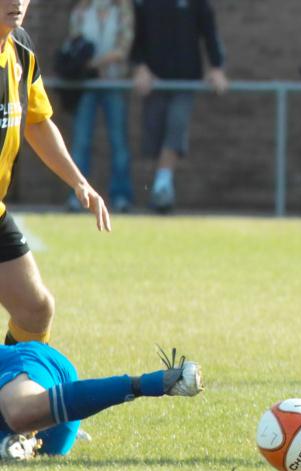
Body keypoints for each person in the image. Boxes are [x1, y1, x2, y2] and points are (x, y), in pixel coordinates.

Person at [0, 0, 111, 347]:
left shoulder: (21, 49)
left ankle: (9, 392)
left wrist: (79, 182)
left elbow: (37, 121)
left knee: (35, 311)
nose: (16, 1)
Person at [0, 343, 202, 459]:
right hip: (48, 434)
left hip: (29, 365)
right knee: (42, 446)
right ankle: (24, 438)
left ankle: (151, 382)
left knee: (21, 411)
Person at [131, 0, 228, 213]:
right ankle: (159, 187)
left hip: (185, 80)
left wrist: (217, 66)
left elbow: (209, 31)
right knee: (154, 137)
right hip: (154, 81)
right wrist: (139, 66)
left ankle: (162, 187)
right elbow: (135, 36)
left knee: (177, 125)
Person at [67, 0, 135, 214]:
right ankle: (77, 196)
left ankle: (121, 195)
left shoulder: (122, 9)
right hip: (86, 85)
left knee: (118, 142)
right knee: (81, 141)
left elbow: (123, 49)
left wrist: (94, 64)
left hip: (114, 83)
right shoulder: (81, 10)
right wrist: (84, 65)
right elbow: (74, 45)